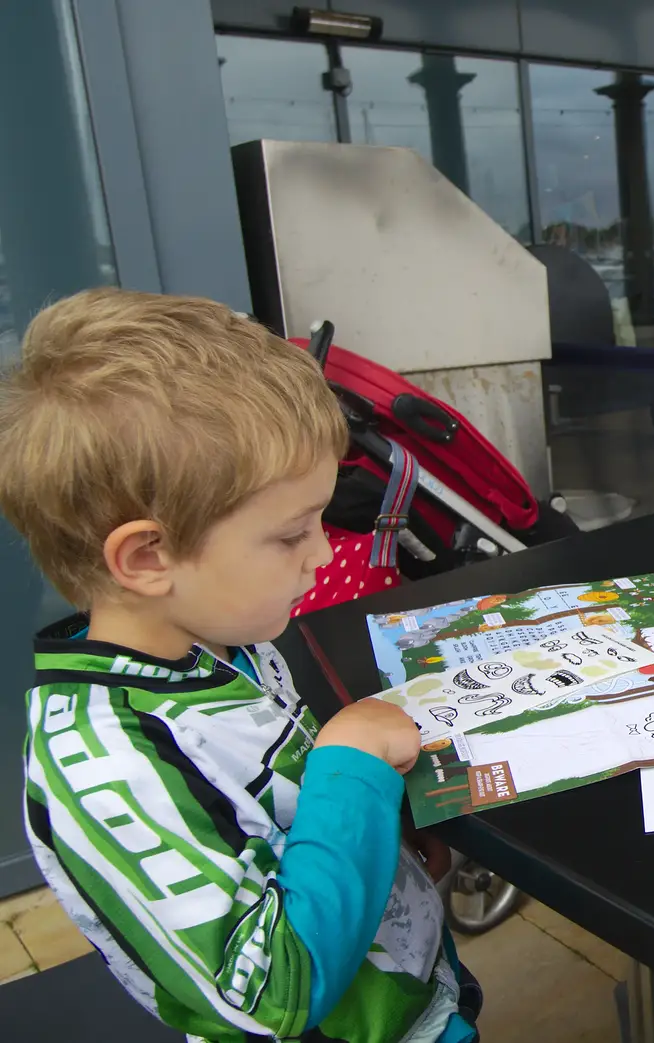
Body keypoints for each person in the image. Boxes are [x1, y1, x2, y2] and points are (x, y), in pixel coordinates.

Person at [0, 289, 478, 1043]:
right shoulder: (103, 765)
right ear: (148, 557)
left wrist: (375, 825)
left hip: (412, 1003)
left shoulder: (224, 642)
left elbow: (276, 817)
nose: (323, 553)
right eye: (292, 534)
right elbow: (272, 994)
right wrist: (350, 773)